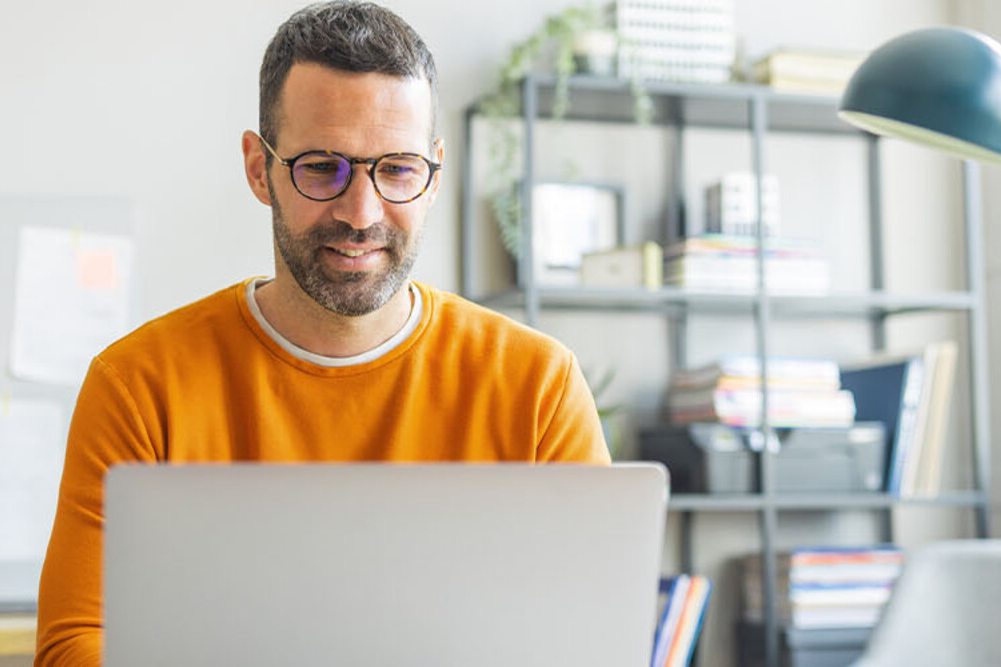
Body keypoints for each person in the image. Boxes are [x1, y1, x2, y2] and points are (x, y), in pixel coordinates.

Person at [33, 2, 609, 665]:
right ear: (259, 168)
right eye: (321, 167)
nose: (360, 214)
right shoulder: (139, 386)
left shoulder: (538, 386)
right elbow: (74, 645)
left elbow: (591, 640)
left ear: (434, 175)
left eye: (395, 169)